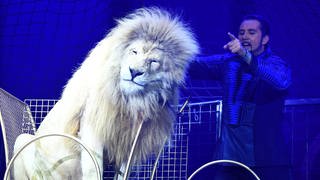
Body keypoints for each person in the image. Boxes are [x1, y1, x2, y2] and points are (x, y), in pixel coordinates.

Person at [188, 14, 292, 179]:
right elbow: (195, 65)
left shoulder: (276, 63)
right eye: (241, 32)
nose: (244, 36)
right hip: (230, 160)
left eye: (251, 32)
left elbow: (281, 81)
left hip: (267, 160)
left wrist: (246, 56)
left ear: (265, 39)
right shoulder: (229, 62)